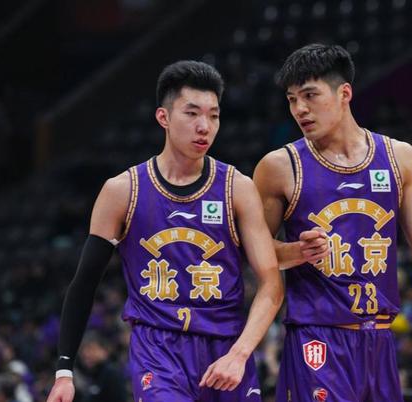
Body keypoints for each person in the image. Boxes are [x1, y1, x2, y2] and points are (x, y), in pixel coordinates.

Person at [46, 60, 283, 402]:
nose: (204, 126)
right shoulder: (122, 191)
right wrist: (64, 371)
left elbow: (271, 282)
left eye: (214, 116)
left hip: (227, 347)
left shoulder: (237, 187)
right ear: (164, 117)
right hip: (158, 353)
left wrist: (240, 353)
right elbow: (84, 283)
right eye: (192, 113)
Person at [253, 44, 412, 401]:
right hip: (317, 337)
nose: (299, 109)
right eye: (292, 100)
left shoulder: (399, 158)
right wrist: (295, 252)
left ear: (344, 94)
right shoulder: (279, 167)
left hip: (379, 339)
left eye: (310, 95)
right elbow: (252, 250)